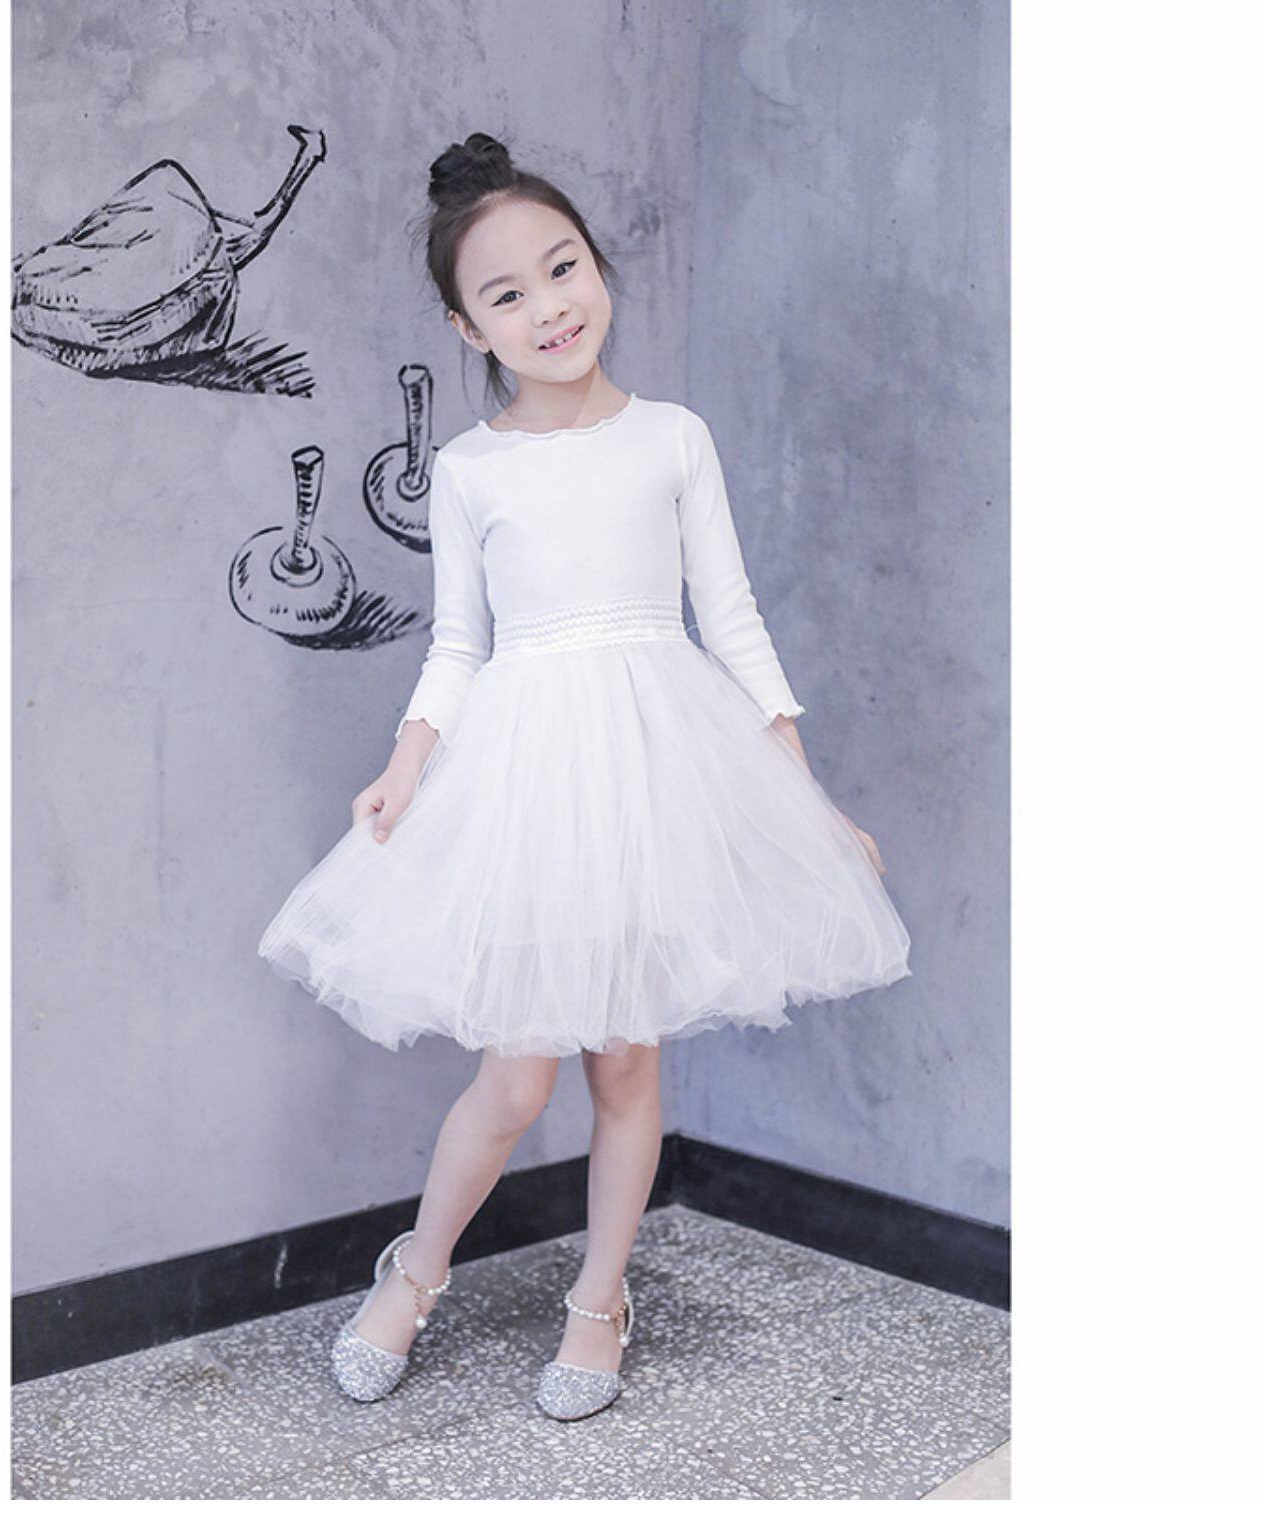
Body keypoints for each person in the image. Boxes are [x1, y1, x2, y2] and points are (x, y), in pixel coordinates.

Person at [257, 132, 911, 1422]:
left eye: (563, 269)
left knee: (625, 1069)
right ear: (469, 326)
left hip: (655, 769)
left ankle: (598, 1303)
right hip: (530, 780)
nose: (548, 307)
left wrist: (807, 794)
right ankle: (414, 1272)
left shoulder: (673, 437)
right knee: (514, 1078)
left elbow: (732, 619)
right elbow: (459, 643)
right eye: (507, 294)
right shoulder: (469, 470)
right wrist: (403, 769)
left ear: (598, 269)